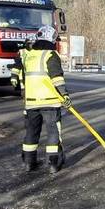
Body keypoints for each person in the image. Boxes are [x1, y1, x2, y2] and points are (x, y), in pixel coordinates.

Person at [21, 25, 71, 173]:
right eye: (55, 40)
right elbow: (57, 78)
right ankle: (53, 164)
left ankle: (29, 163)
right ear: (51, 39)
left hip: (31, 103)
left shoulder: (29, 56)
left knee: (31, 133)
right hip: (50, 102)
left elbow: (25, 79)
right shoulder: (50, 54)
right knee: (53, 133)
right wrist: (65, 95)